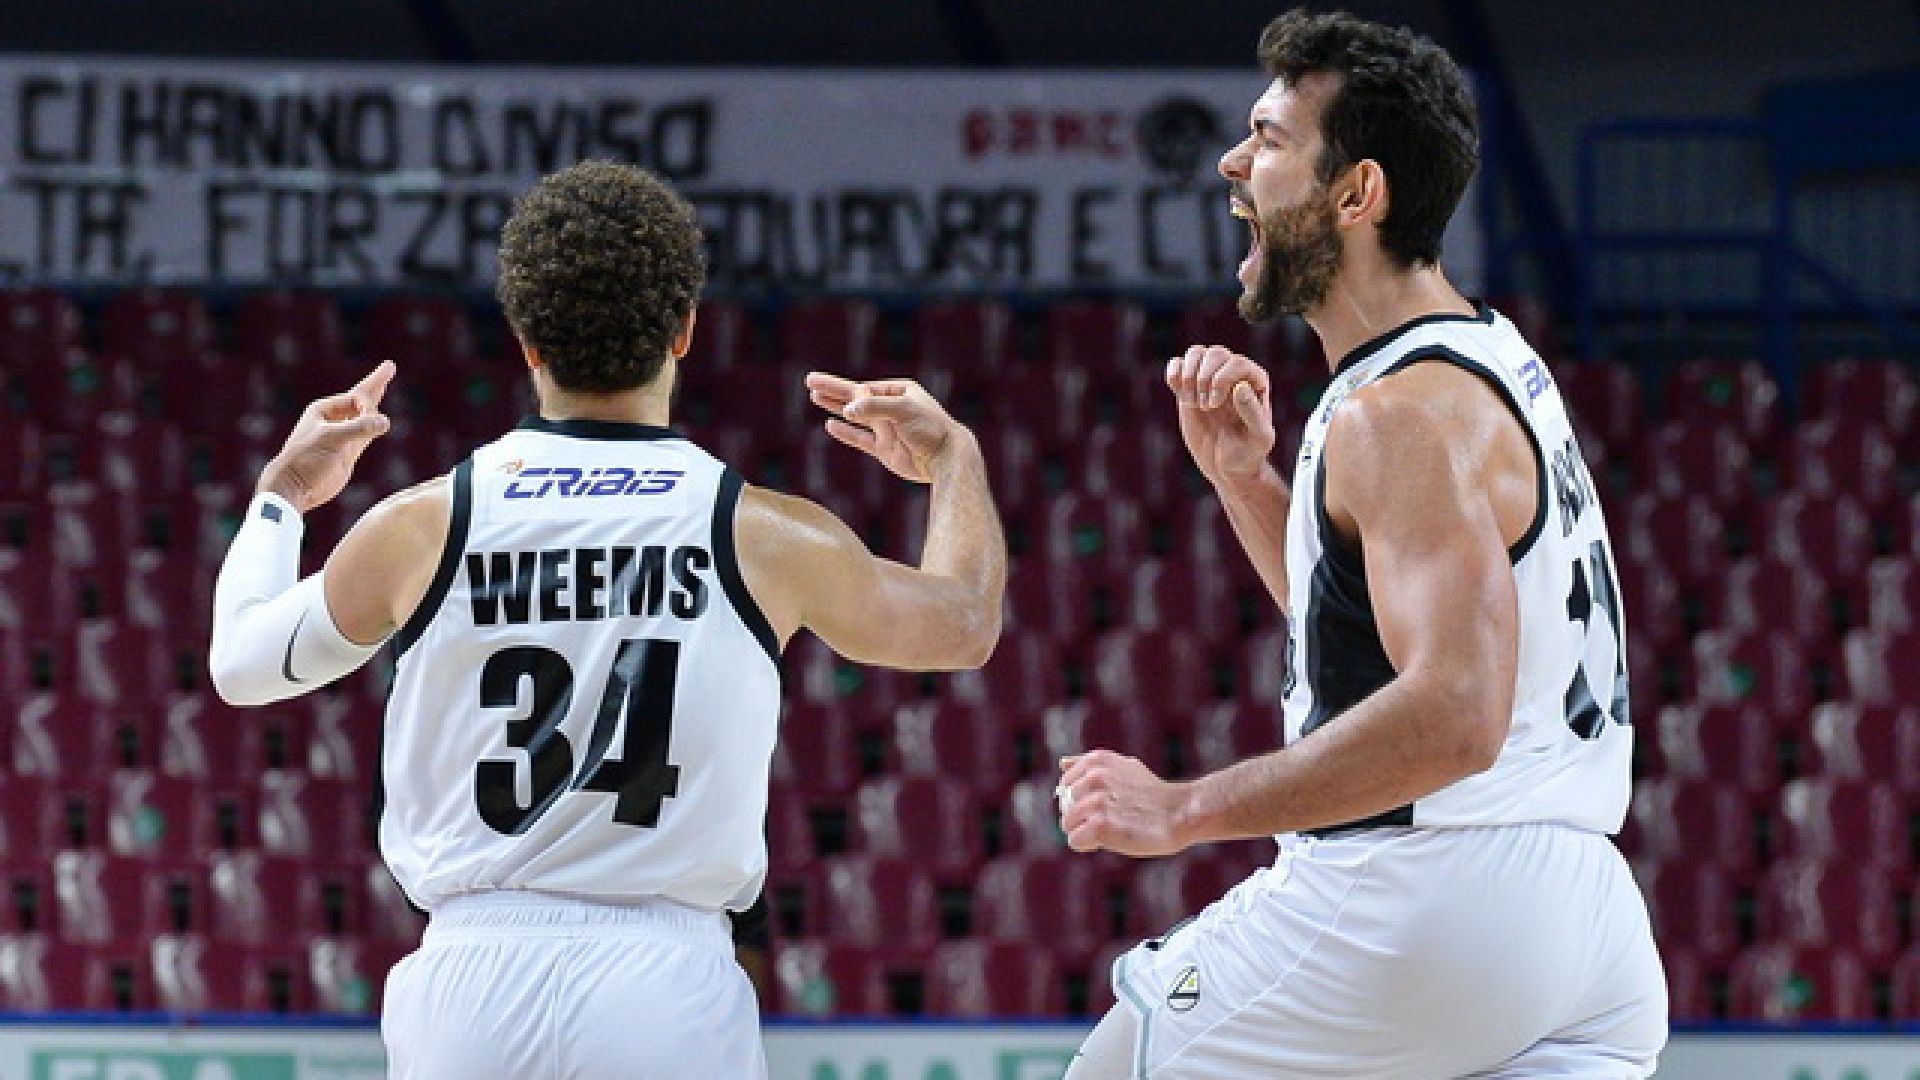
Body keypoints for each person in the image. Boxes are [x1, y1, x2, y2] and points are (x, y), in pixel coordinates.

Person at [208, 160, 1006, 1078]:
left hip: (471, 981)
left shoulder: (422, 525)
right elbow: (964, 625)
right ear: (684, 331)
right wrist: (954, 460)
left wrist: (284, 493)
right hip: (663, 978)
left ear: (526, 341)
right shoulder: (765, 532)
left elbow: (242, 666)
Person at [1056, 10, 1666, 1078]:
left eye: (1269, 139)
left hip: (1419, 898)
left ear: (1356, 194)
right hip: (1583, 933)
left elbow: (1455, 714)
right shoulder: (1493, 357)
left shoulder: (1397, 415)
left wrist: (1184, 809)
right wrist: (1246, 483)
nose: (1231, 162)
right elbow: (1377, 641)